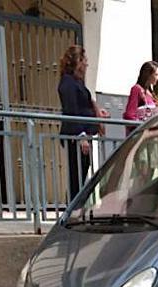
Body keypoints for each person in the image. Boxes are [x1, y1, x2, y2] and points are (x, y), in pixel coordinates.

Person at [58, 45, 108, 201]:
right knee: (76, 176)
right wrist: (81, 136)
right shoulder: (68, 83)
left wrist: (96, 113)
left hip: (83, 134)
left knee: (81, 174)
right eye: (84, 60)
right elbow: (71, 111)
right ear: (78, 62)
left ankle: (76, 208)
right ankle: (72, 210)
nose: (87, 64)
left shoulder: (77, 82)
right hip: (76, 136)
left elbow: (83, 105)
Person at [124, 61, 158, 130]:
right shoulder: (136, 89)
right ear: (148, 75)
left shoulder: (151, 93)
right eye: (156, 75)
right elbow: (129, 115)